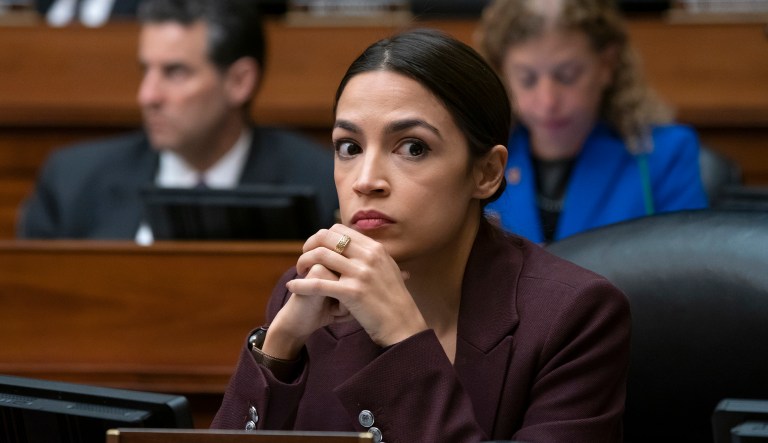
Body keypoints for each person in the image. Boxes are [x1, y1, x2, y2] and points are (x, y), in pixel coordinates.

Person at [212, 29, 630, 442]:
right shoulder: (305, 293)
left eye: (413, 147)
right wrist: (278, 349)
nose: (366, 180)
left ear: (486, 173)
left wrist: (404, 340)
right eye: (349, 147)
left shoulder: (573, 317)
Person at [17, 0, 338, 242]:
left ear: (239, 81)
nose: (148, 96)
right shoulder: (72, 182)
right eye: (146, 71)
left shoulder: (322, 185)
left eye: (175, 72)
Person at [475, 0, 708, 244]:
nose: (547, 102)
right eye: (527, 79)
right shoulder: (481, 154)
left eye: (567, 76)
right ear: (502, 73)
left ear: (607, 65)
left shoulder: (665, 154)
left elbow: (685, 271)